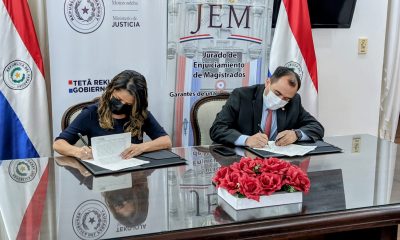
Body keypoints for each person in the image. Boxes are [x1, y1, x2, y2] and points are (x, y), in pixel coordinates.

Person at [53, 70, 172, 159]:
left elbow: (166, 141)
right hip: (102, 179)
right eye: (118, 99)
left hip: (134, 178)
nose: (121, 105)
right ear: (111, 90)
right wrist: (78, 152)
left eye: (128, 104)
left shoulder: (139, 113)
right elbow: (59, 144)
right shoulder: (91, 113)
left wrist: (141, 147)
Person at [210, 66, 324, 148]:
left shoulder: (294, 101)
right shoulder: (241, 96)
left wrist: (296, 134)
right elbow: (217, 129)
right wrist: (246, 140)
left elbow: (317, 128)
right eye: (277, 93)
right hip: (243, 163)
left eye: (286, 98)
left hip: (278, 164)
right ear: (268, 82)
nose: (280, 100)